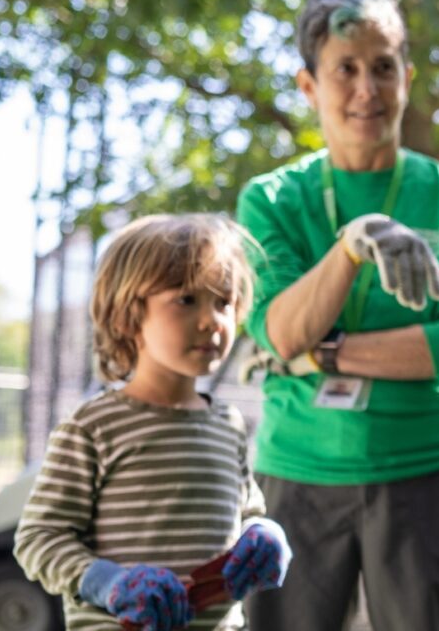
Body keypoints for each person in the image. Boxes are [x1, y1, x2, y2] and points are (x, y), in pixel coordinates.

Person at [236, 0, 439, 630]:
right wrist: (351, 244)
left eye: (384, 66)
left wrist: (322, 353)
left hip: (427, 474)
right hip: (297, 476)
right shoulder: (271, 200)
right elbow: (279, 331)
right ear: (308, 86)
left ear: (407, 78)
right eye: (346, 68)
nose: (368, 89)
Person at [15, 214, 290, 631]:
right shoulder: (93, 427)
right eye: (186, 300)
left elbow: (246, 513)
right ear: (128, 316)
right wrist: (109, 583)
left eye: (224, 301)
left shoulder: (228, 423)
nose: (211, 320)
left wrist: (264, 534)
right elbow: (39, 538)